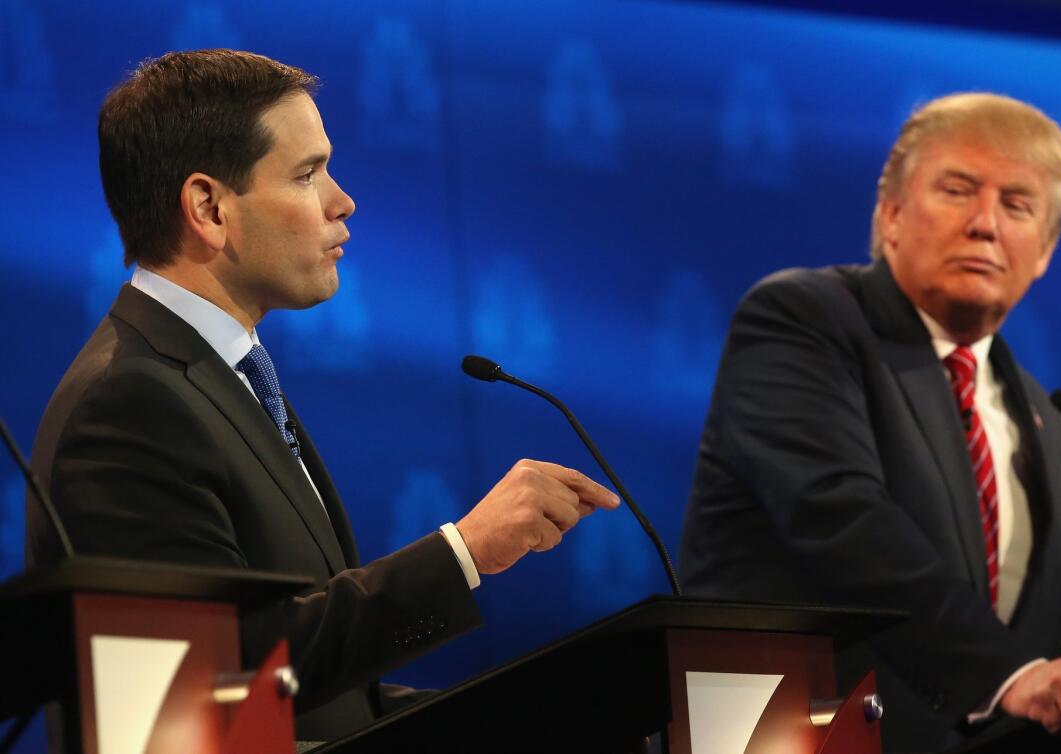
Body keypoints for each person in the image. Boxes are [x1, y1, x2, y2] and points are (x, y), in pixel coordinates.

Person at [26, 49, 620, 745]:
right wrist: (465, 552)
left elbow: (312, 694)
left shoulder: (226, 374)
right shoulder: (128, 402)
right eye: (308, 174)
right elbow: (215, 686)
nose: (343, 202)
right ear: (209, 209)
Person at [678, 93, 1061, 752]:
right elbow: (838, 517)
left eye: (1018, 206)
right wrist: (1007, 675)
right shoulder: (802, 320)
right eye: (958, 191)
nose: (985, 223)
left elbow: (1048, 634)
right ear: (891, 214)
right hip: (789, 734)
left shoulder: (1052, 421)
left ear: (1044, 250)